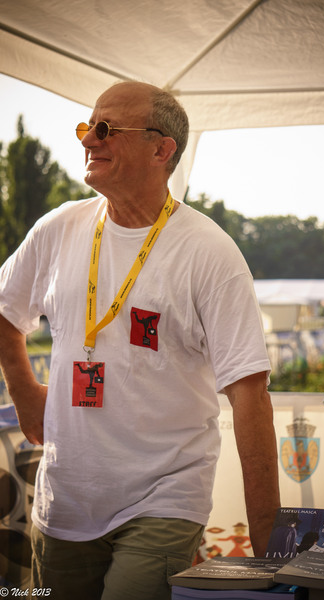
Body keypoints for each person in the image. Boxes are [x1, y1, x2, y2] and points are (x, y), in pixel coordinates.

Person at [0, 81, 280, 599]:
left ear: (161, 150)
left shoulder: (210, 253)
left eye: (107, 129)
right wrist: (23, 391)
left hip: (165, 498)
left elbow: (249, 394)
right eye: (87, 127)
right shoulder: (58, 228)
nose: (89, 140)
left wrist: (269, 540)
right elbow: (4, 311)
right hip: (65, 502)